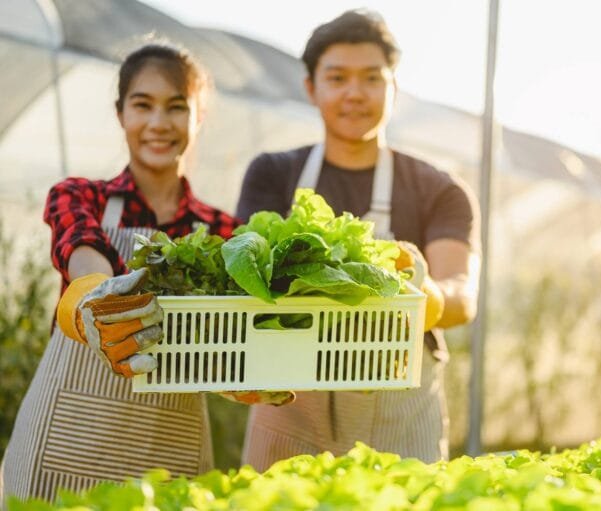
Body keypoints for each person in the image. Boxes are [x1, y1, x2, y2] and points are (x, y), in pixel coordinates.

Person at [236, 9, 481, 471]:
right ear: (311, 87)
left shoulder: (439, 189)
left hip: (398, 393)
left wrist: (420, 294)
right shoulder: (272, 174)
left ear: (394, 88)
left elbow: (461, 295)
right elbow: (243, 285)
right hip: (291, 399)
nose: (354, 93)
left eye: (371, 78)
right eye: (338, 78)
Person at [0, 43, 242, 504]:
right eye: (142, 105)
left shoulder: (222, 232)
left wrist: (247, 379)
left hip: (171, 450)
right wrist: (96, 293)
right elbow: (83, 248)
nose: (158, 123)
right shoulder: (78, 196)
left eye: (176, 107)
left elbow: (228, 340)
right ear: (120, 113)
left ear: (198, 116)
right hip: (65, 443)